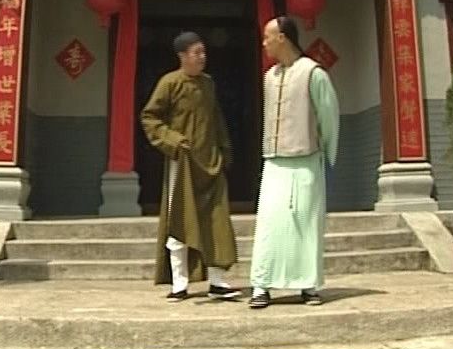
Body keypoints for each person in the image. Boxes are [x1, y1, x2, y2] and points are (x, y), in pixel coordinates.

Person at [140, 31, 241, 302]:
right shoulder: (169, 83)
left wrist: (224, 149)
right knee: (180, 219)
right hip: (182, 163)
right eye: (197, 53)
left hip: (210, 162)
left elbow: (216, 119)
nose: (202, 57)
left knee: (216, 221)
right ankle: (179, 283)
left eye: (204, 52)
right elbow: (150, 117)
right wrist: (173, 140)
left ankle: (218, 282)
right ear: (182, 56)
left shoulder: (208, 84)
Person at [248, 16, 340, 309]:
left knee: (306, 224)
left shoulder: (313, 73)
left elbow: (328, 118)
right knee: (269, 223)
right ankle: (261, 285)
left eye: (268, 37)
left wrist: (323, 156)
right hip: (275, 162)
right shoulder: (269, 77)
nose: (264, 43)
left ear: (283, 37)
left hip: (306, 161)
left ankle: (308, 286)